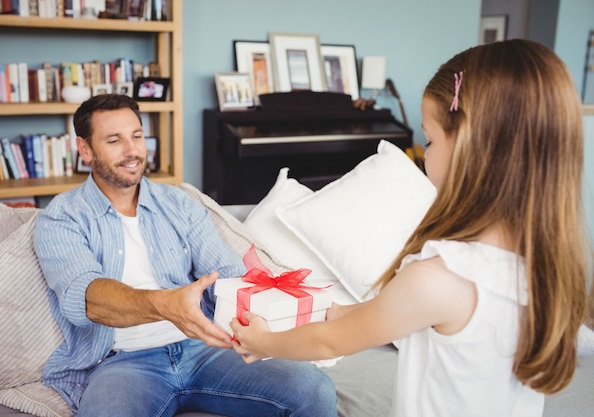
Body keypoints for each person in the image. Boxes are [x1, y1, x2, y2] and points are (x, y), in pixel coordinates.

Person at [231, 39, 591, 417]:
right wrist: (340, 311)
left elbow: (329, 343)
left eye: (431, 139)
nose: (423, 152)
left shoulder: (439, 277)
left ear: (471, 148)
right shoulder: (545, 268)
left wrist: (265, 341)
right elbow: (395, 318)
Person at [33, 93, 337, 417]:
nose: (132, 150)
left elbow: (225, 271)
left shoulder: (178, 203)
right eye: (114, 140)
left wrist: (273, 303)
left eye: (137, 136)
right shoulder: (62, 217)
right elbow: (87, 298)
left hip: (205, 348)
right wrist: (166, 304)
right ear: (85, 149)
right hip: (123, 362)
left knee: (314, 389)